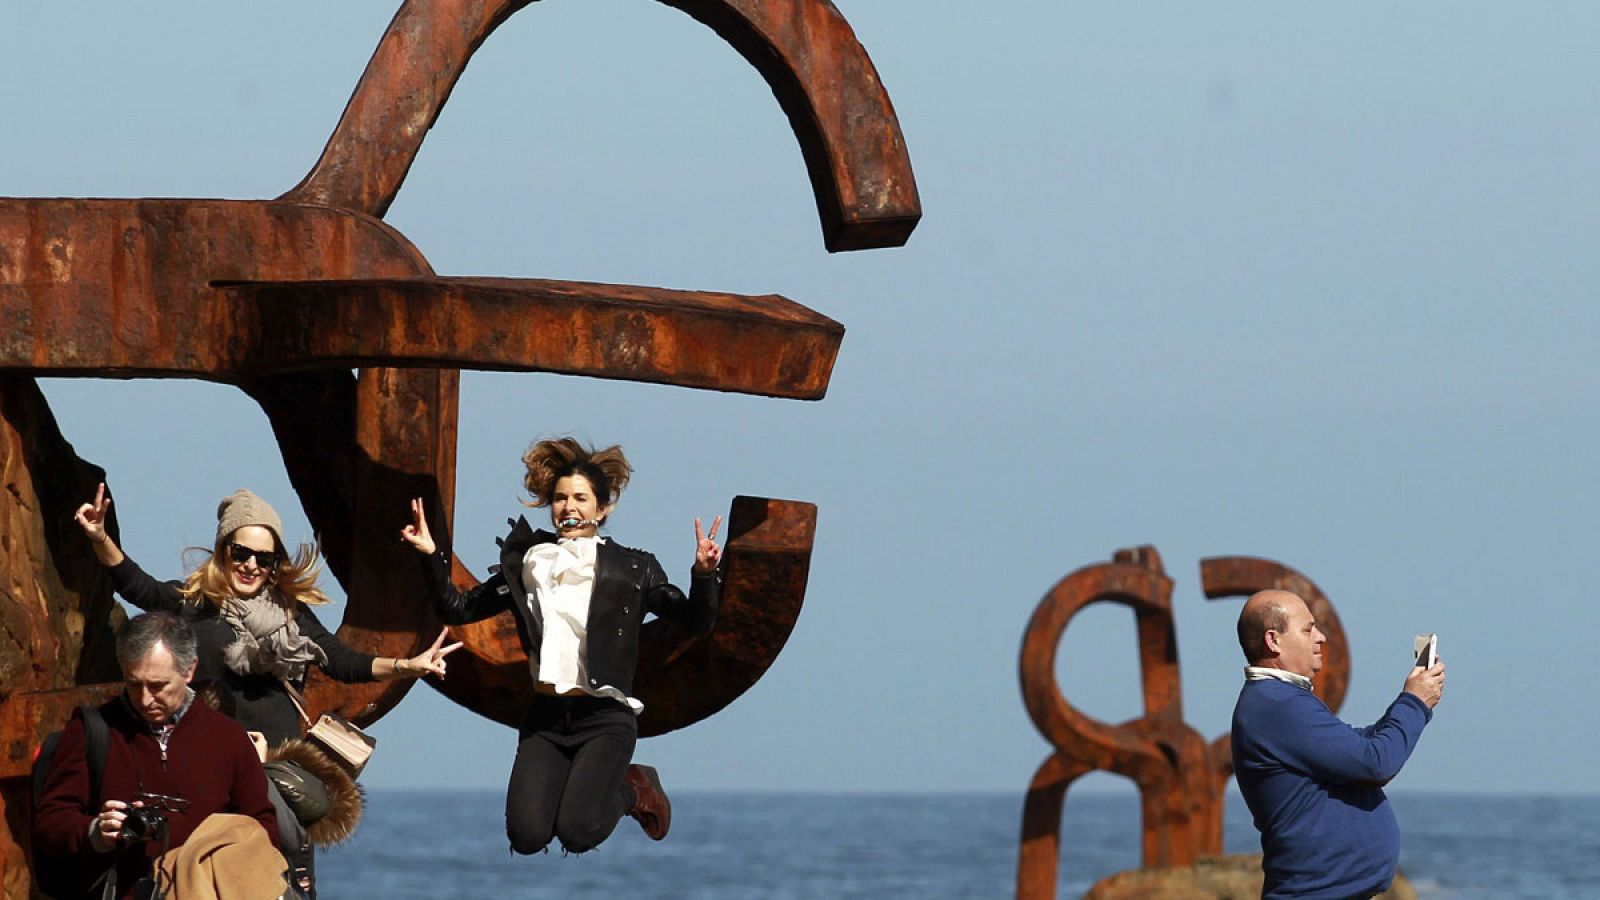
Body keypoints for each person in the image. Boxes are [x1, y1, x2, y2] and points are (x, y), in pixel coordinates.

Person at [73, 484, 461, 895]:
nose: (250, 566)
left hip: (279, 764)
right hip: (212, 765)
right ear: (223, 549)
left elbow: (344, 661)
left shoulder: (290, 614)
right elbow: (138, 587)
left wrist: (408, 665)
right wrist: (100, 538)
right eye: (241, 553)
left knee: (287, 872)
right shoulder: (192, 602)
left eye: (264, 558)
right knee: (214, 872)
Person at [400, 437, 722, 854]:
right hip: (546, 717)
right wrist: (430, 554)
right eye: (560, 498)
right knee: (528, 836)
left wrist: (703, 573)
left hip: (605, 718)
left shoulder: (634, 568)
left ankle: (632, 788)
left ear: (602, 508)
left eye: (581, 498)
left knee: (577, 832)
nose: (569, 507)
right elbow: (457, 608)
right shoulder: (528, 563)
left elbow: (696, 621)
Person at [33, 612, 287, 900]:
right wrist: (96, 832)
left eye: (157, 686)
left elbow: (264, 830)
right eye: (133, 684)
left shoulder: (229, 737)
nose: (144, 699)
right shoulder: (93, 729)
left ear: (189, 670)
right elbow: (50, 823)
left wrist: (209, 855)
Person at [1230, 589, 1446, 900]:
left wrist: (1411, 701)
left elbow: (1357, 746)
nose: (1321, 638)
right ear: (1273, 640)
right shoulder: (1277, 704)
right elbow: (1375, 763)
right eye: (1307, 629)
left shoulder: (1279, 701)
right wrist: (1414, 703)